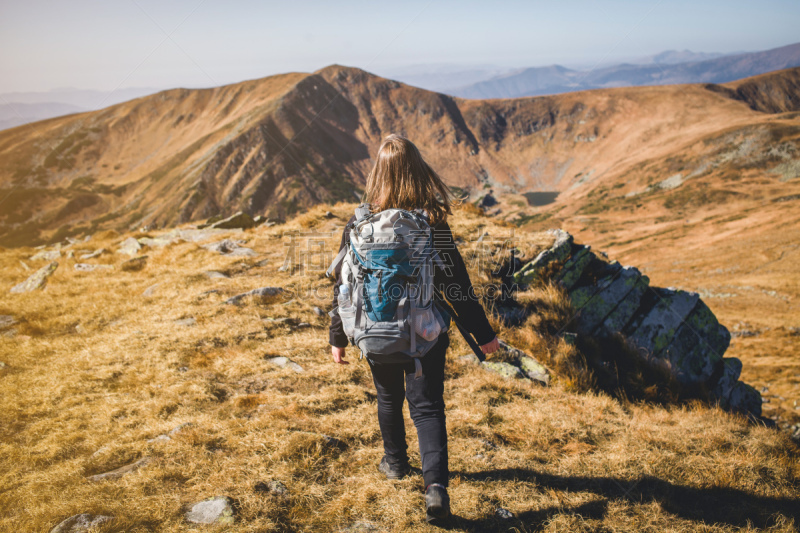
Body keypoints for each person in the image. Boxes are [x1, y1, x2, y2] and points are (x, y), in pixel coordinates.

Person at [329, 134, 499, 523]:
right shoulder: (432, 223)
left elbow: (343, 285)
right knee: (427, 407)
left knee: (388, 398)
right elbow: (457, 285)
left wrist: (337, 337)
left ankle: (394, 464)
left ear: (378, 174)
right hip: (425, 334)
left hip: (375, 332)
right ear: (419, 171)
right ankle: (436, 488)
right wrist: (483, 335)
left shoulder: (360, 223)